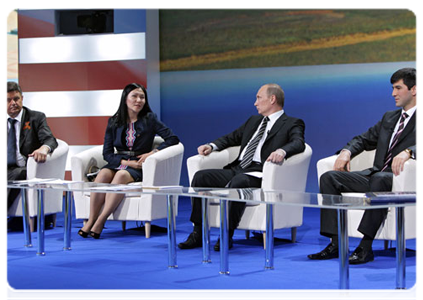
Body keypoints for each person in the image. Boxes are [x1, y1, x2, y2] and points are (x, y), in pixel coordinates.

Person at [308, 68, 420, 264]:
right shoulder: (390, 118)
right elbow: (364, 139)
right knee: (329, 177)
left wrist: (410, 151)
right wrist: (346, 152)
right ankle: (336, 243)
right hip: (376, 175)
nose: (393, 93)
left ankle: (365, 247)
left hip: (400, 179)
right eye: (392, 88)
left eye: (398, 88)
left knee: (379, 179)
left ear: (414, 89)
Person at [178, 83, 306, 251]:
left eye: (259, 98)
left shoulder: (292, 123)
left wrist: (282, 150)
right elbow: (232, 138)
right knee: (201, 177)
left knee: (238, 182)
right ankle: (198, 232)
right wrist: (212, 145)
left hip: (260, 172)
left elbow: (298, 143)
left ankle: (227, 234)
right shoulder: (254, 121)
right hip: (238, 167)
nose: (255, 103)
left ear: (272, 99)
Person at [78, 83, 179, 239]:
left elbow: (172, 138)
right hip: (121, 161)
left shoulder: (150, 119)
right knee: (103, 174)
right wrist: (126, 162)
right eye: (134, 96)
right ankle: (91, 220)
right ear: (125, 99)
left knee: (121, 176)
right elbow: (107, 153)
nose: (138, 100)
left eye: (142, 97)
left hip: (139, 163)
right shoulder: (114, 121)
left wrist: (152, 153)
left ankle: (101, 219)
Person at [5, 81, 58, 214]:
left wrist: (43, 149)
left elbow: (49, 139)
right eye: (8, 100)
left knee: (18, 173)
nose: (13, 103)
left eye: (16, 99)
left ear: (22, 98)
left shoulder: (36, 117)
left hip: (23, 168)